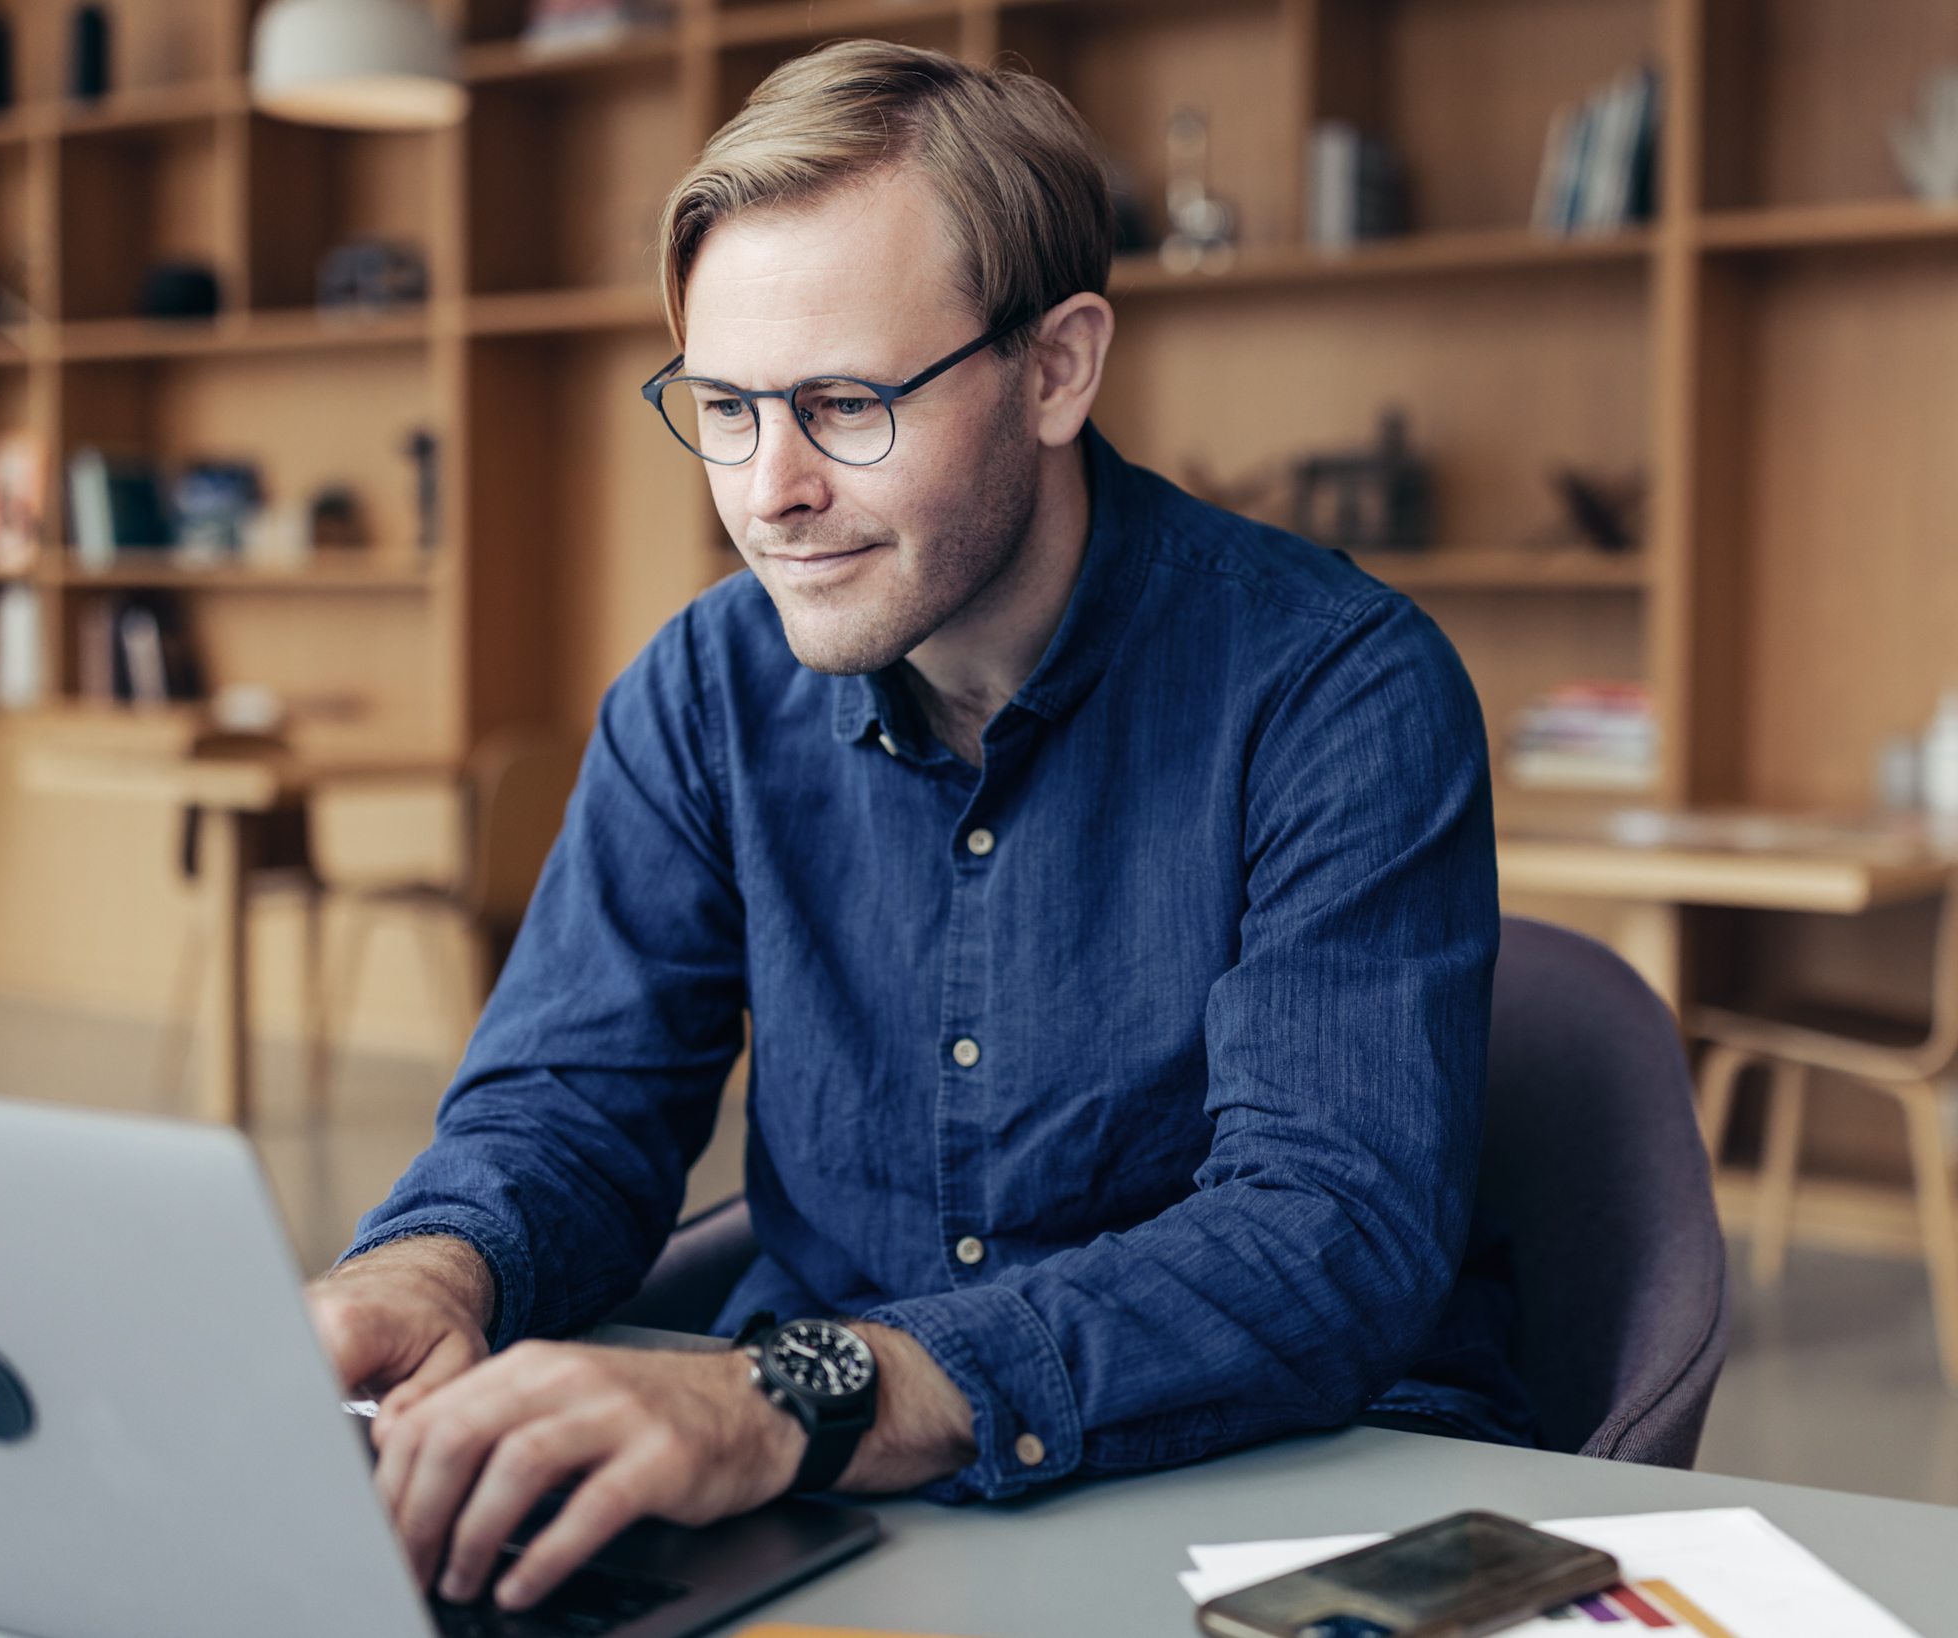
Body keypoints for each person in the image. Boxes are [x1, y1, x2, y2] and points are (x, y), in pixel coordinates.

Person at [307, 38, 1533, 1616]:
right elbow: (570, 1097)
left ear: (1057, 368)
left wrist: (802, 1392)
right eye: (727, 408)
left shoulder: (1337, 689)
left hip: (1272, 1479)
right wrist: (433, 1263)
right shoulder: (701, 690)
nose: (770, 492)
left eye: (843, 403)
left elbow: (1324, 1235)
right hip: (833, 1502)